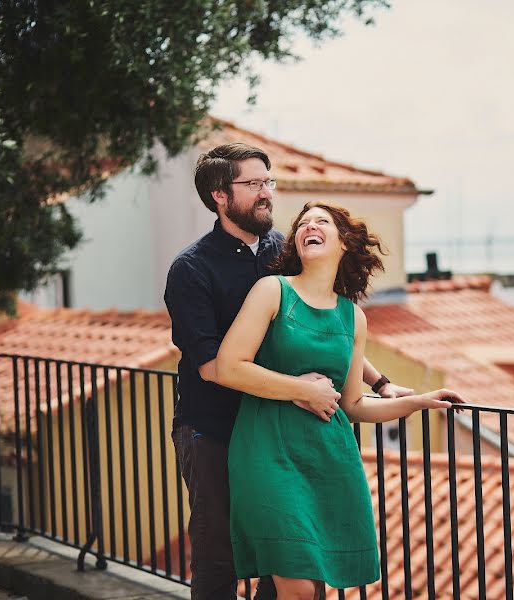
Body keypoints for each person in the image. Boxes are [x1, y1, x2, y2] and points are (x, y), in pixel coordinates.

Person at [164, 143, 413, 600]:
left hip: (281, 434)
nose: (267, 193)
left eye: (268, 181)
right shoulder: (191, 270)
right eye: (254, 184)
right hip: (214, 430)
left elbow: (316, 324)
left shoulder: (283, 246)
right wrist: (299, 389)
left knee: (292, 562)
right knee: (221, 559)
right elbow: (215, 368)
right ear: (220, 195)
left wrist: (379, 382)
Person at [216, 201, 464, 600]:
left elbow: (353, 405)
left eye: (322, 222)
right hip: (267, 451)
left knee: (313, 588)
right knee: (296, 586)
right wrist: (303, 389)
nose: (309, 226)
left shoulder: (353, 317)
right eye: (303, 223)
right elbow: (230, 367)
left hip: (328, 459)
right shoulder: (272, 291)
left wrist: (419, 402)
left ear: (344, 242)